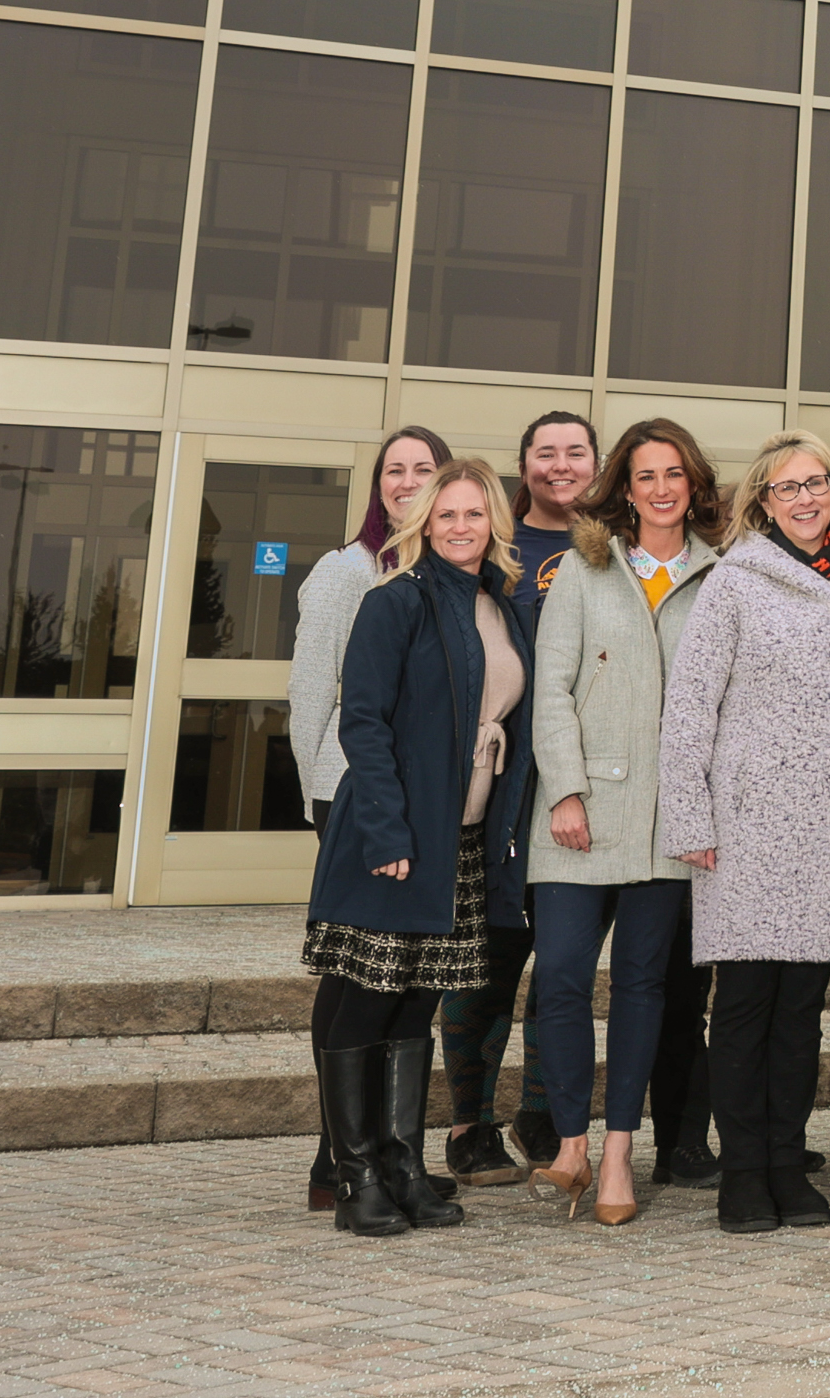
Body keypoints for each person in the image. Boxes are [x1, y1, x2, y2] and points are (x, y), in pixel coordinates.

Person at [656, 433, 830, 1238]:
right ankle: (743, 1172)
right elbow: (690, 705)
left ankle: (788, 1164)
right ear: (762, 501)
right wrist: (688, 816)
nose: (805, 498)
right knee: (746, 1004)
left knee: (801, 1011)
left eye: (816, 483)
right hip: (748, 827)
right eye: (787, 488)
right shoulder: (735, 581)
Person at [302, 451, 527, 1239]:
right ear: (423, 523)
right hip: (394, 834)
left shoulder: (499, 605)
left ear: (494, 521)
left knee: (417, 1003)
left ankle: (402, 1163)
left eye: (474, 513)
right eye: (446, 514)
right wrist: (387, 829)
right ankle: (353, 1174)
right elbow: (362, 720)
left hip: (460, 838)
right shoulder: (395, 600)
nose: (461, 527)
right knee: (368, 999)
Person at [523, 418, 725, 1227]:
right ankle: (569, 1142)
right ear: (626, 489)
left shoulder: (720, 574)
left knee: (644, 987)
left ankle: (616, 1156)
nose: (662, 489)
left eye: (675, 473)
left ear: (694, 484)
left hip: (668, 819)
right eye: (646, 476)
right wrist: (564, 791)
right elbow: (550, 688)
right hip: (580, 812)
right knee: (562, 977)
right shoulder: (586, 565)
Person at [290, 425, 452, 1216]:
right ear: (377, 484)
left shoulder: (441, 572)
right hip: (352, 789)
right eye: (395, 469)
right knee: (356, 974)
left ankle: (375, 1153)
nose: (408, 481)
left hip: (417, 797)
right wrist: (317, 795)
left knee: (393, 976)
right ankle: (337, 1157)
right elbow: (310, 693)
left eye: (424, 468)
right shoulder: (347, 571)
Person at [441, 409, 595, 1185]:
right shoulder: (495, 552)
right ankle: (469, 1125)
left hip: (580, 791)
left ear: (596, 465)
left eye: (577, 453)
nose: (561, 466)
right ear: (523, 464)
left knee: (562, 964)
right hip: (500, 792)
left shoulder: (610, 550)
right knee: (488, 961)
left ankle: (541, 1114)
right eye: (546, 453)